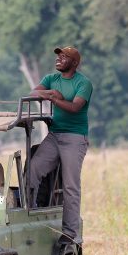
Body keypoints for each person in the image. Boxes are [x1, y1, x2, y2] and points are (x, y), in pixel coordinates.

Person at [27, 45, 93, 244]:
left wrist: (53, 98)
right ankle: (29, 214)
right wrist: (51, 94)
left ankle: (69, 233)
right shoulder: (50, 79)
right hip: (54, 135)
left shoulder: (84, 83)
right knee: (32, 170)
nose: (59, 59)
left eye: (64, 57)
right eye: (58, 56)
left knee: (70, 185)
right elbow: (32, 94)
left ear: (74, 63)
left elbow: (75, 107)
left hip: (75, 138)